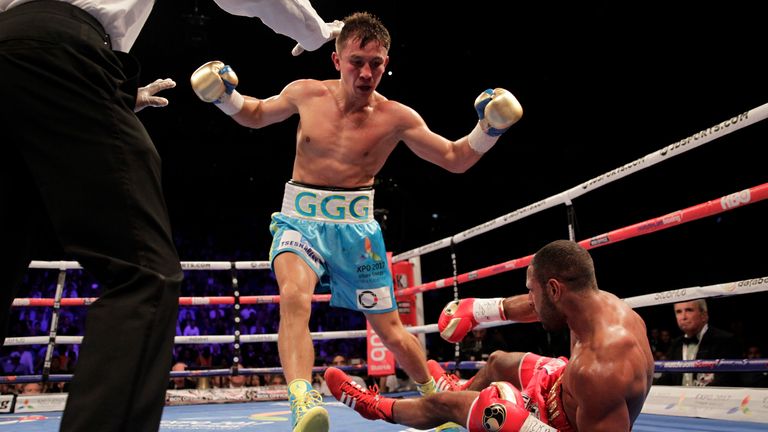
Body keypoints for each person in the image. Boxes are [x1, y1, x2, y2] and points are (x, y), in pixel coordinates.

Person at [0, 1, 342, 431]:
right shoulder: (306, 92)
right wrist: (314, 31)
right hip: (67, 54)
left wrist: (118, 92)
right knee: (145, 275)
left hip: (12, 51)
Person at [190, 10, 522, 432]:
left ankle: (437, 402)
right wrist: (224, 97)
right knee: (294, 297)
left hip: (357, 231)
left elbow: (454, 158)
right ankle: (302, 400)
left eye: (375, 64)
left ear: (386, 64)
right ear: (337, 60)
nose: (366, 73)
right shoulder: (306, 92)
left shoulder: (397, 117)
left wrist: (489, 129)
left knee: (392, 332)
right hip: (299, 221)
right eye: (357, 62)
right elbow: (255, 113)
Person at [325, 239, 655, 432]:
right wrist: (481, 309)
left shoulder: (600, 370)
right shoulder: (596, 304)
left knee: (452, 404)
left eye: (533, 291)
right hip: (564, 383)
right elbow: (539, 306)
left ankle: (375, 406)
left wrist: (522, 424)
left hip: (564, 422)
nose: (530, 300)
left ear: (554, 289)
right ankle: (461, 388)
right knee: (497, 361)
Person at [656, 299, 742, 387]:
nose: (683, 317)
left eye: (689, 310)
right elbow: (666, 378)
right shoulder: (676, 344)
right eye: (679, 312)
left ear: (704, 315)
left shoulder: (724, 340)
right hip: (679, 396)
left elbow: (727, 380)